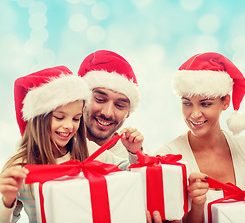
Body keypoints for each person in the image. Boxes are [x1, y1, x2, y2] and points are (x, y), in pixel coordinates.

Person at [0, 66, 143, 222]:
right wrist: (7, 202)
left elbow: (131, 174)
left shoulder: (89, 151)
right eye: (60, 117)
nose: (69, 126)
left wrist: (134, 153)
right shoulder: (20, 168)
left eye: (76, 118)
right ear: (38, 120)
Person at [154, 52, 245, 223]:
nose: (195, 114)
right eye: (187, 103)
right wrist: (197, 205)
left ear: (226, 102)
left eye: (205, 104)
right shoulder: (168, 157)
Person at [78, 50, 144, 158]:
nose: (107, 113)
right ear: (81, 100)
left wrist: (137, 155)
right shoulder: (57, 148)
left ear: (128, 113)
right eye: (100, 99)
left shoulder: (136, 156)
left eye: (119, 105)